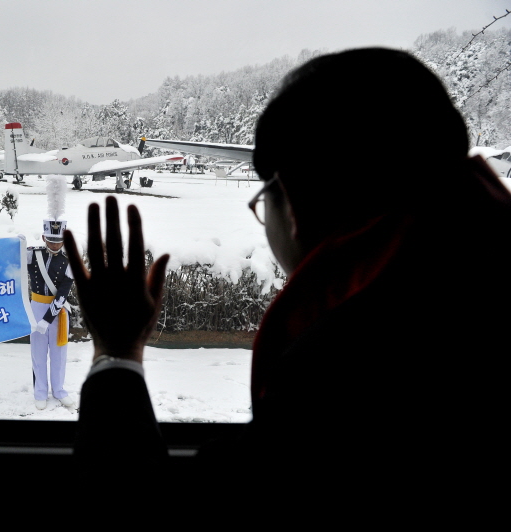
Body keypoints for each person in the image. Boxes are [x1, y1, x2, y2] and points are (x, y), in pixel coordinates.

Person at [64, 48, 511, 502]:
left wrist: (115, 353)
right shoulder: (466, 295)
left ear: (292, 203)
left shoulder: (339, 376)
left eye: (264, 203)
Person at [27, 218, 75, 410]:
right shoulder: (32, 255)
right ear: (43, 237)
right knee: (38, 354)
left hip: (58, 311)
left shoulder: (68, 262)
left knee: (59, 354)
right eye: (51, 239)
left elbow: (63, 293)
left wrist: (48, 319)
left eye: (59, 240)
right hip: (36, 306)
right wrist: (17, 245)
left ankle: (59, 390)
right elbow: (10, 262)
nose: (55, 244)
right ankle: (40, 391)